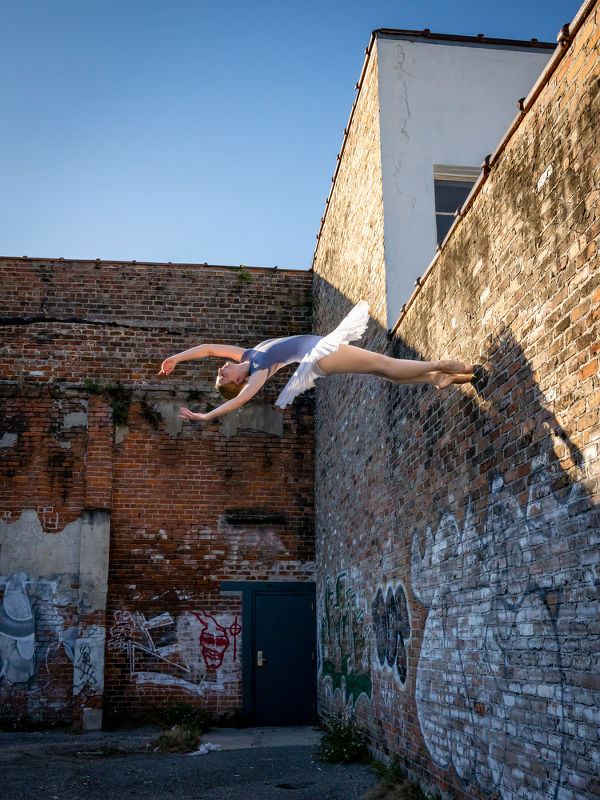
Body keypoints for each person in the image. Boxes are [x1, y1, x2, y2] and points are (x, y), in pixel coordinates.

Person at [157, 300, 474, 423]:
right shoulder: (257, 372)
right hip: (321, 353)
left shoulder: (247, 355)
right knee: (384, 363)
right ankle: (440, 365)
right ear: (237, 381)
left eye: (221, 372)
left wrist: (176, 358)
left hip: (319, 355)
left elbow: (208, 349)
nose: (221, 368)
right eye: (223, 376)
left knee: (386, 373)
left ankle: (434, 378)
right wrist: (206, 415)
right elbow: (237, 402)